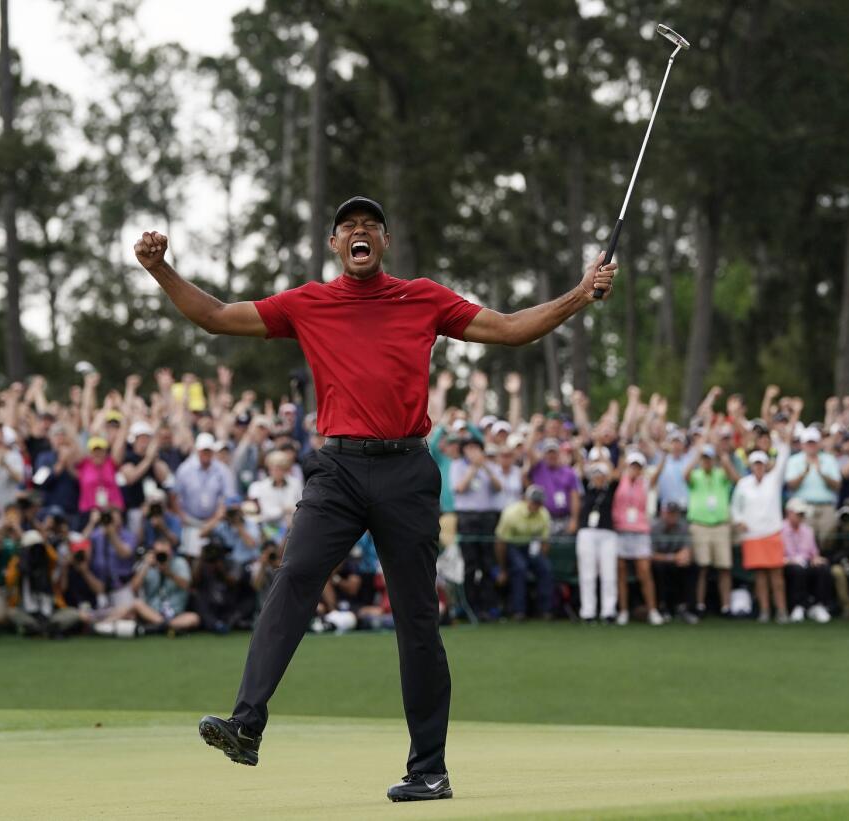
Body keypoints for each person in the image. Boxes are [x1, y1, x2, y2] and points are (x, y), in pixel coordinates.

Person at [133, 195, 617, 800]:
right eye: (347, 228)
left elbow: (511, 330)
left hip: (407, 470)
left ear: (383, 242)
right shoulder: (309, 302)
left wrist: (578, 294)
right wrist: (160, 270)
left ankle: (429, 770)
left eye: (370, 226)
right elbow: (217, 315)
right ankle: (246, 726)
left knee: (416, 618)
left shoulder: (423, 297)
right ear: (336, 245)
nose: (358, 233)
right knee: (295, 577)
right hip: (336, 470)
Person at [730, 449, 790, 624]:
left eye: (761, 464)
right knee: (760, 577)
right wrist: (739, 520)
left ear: (765, 465)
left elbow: (783, 456)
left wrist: (783, 437)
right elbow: (735, 507)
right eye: (755, 464)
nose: (758, 467)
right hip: (752, 535)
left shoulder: (774, 480)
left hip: (772, 533)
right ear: (751, 466)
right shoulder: (743, 484)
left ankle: (781, 610)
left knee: (776, 577)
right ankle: (764, 611)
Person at [95, 536, 198, 637]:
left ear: (171, 552)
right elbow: (133, 588)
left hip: (175, 615)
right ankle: (102, 625)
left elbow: (186, 585)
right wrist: (145, 565)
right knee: (136, 604)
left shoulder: (179, 563)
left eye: (164, 553)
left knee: (193, 618)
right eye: (158, 553)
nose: (162, 556)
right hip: (152, 613)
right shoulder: (148, 565)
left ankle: (153, 628)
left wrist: (168, 573)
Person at [685, 441, 739, 616]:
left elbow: (735, 479)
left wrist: (723, 458)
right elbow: (684, 475)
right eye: (704, 459)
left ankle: (726, 606)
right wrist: (696, 455)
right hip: (700, 525)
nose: (707, 462)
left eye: (709, 459)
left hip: (720, 525)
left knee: (724, 567)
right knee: (702, 567)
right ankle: (700, 605)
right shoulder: (696, 475)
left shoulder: (720, 474)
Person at [451, 437, 502, 619]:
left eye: (476, 448)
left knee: (487, 563)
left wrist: (485, 467)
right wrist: (473, 467)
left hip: (487, 517)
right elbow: (460, 487)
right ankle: (469, 607)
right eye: (469, 448)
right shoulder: (457, 466)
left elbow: (498, 487)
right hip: (467, 517)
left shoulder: (490, 466)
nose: (473, 451)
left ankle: (488, 606)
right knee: (470, 563)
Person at [612, 452, 661, 626]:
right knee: (621, 572)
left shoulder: (645, 483)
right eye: (632, 465)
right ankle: (623, 611)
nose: (635, 469)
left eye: (638, 467)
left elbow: (657, 475)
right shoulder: (619, 481)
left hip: (640, 531)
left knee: (644, 572)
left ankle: (653, 610)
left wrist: (664, 456)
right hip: (621, 531)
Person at [494, 484, 554, 620]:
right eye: (534, 501)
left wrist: (540, 559)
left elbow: (545, 542)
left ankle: (545, 610)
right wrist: (503, 569)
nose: (537, 505)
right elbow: (500, 542)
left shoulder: (544, 514)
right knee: (519, 568)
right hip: (511, 546)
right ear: (526, 499)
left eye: (539, 502)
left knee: (545, 568)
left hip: (530, 546)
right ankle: (519, 610)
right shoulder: (511, 513)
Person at [173, 432, 235, 558]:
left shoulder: (222, 470)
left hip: (215, 521)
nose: (206, 454)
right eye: (203, 451)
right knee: (189, 555)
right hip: (189, 520)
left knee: (216, 555)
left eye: (209, 451)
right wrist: (182, 517)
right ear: (197, 450)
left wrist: (215, 520)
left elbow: (228, 497)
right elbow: (174, 496)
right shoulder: (185, 469)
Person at [576, 460, 618, 622]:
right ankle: (588, 612)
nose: (598, 478)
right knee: (588, 573)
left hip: (607, 533)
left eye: (601, 475)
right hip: (587, 532)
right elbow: (579, 468)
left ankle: (608, 611)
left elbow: (617, 472)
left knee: (608, 573)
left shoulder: (611, 489)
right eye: (596, 474)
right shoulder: (586, 488)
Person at [781, 498, 831, 624]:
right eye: (798, 514)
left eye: (802, 514)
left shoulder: (807, 530)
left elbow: (814, 553)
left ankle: (819, 605)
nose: (801, 517)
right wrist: (789, 561)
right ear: (789, 513)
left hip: (806, 562)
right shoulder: (779, 529)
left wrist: (816, 559)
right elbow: (778, 554)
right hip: (787, 564)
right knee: (797, 570)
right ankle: (798, 606)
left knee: (822, 568)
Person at [785, 427, 841, 536]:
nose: (811, 446)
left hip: (827, 506)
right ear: (802, 444)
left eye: (814, 443)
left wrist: (822, 474)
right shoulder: (794, 460)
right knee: (806, 539)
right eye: (808, 443)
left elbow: (837, 485)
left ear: (819, 444)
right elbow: (791, 485)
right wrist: (804, 473)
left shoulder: (829, 459)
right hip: (802, 507)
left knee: (828, 538)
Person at [650, 502, 699, 624]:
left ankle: (685, 608)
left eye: (675, 514)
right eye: (669, 513)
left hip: (677, 562)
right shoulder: (655, 527)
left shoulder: (683, 526)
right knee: (659, 569)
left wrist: (684, 555)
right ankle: (663, 608)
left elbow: (687, 550)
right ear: (663, 514)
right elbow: (651, 554)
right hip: (662, 562)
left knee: (691, 567)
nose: (672, 516)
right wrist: (672, 557)